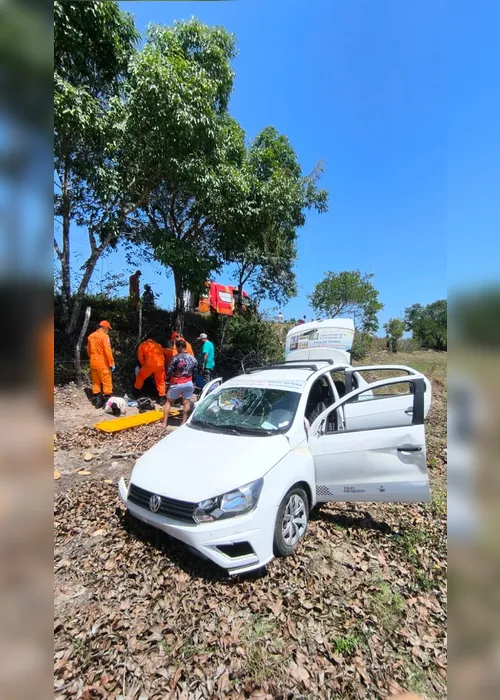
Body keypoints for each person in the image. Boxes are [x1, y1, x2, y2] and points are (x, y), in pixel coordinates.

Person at [162, 339, 198, 427]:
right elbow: (195, 373)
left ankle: (164, 423)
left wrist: (166, 381)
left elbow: (169, 371)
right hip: (189, 383)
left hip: (177, 382)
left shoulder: (176, 358)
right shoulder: (193, 359)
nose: (176, 349)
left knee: (169, 402)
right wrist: (193, 382)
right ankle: (183, 423)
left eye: (176, 348)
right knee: (186, 403)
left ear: (180, 347)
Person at [86, 320, 115, 408]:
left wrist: (92, 358)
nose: (108, 330)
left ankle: (97, 402)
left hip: (93, 362)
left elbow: (88, 350)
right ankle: (106, 402)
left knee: (96, 382)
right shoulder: (104, 336)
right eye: (108, 329)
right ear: (105, 327)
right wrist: (111, 363)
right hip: (102, 363)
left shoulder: (91, 336)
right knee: (107, 381)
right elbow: (107, 351)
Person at [134, 337, 167, 405]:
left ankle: (136, 392)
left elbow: (140, 356)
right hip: (160, 365)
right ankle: (162, 398)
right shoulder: (158, 345)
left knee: (140, 377)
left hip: (149, 364)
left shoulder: (143, 344)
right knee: (160, 381)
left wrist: (143, 364)